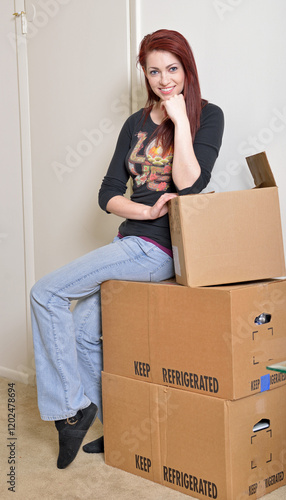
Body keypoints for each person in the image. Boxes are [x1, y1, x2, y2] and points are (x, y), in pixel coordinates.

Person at [30, 29, 224, 469]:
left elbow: (192, 185)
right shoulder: (134, 123)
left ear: (187, 69)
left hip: (161, 251)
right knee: (81, 331)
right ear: (145, 74)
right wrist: (142, 211)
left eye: (172, 69)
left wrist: (178, 120)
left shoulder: (207, 116)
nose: (164, 79)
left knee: (45, 293)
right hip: (131, 240)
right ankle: (121, 425)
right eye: (154, 71)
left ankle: (71, 410)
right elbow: (109, 192)